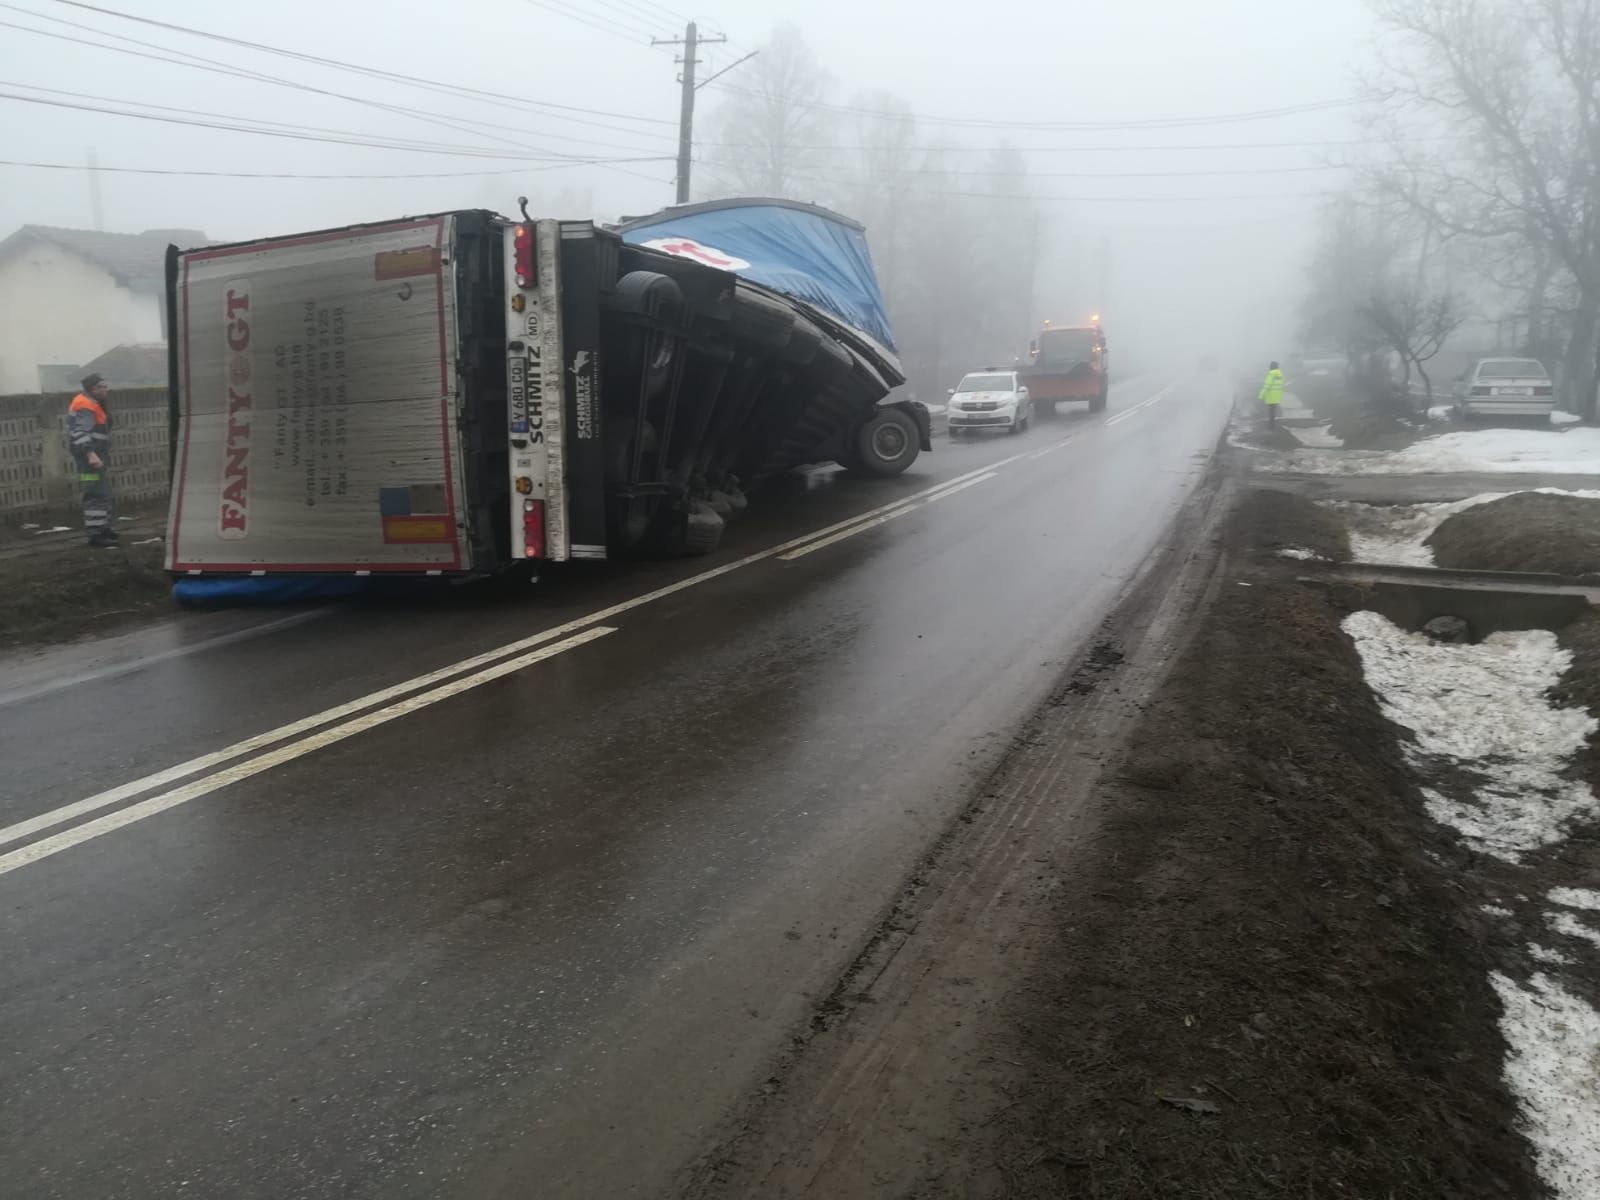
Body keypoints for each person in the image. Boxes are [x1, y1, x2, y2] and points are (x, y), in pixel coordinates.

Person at [68, 373, 116, 547]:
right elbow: (79, 433)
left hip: (96, 456)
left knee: (101, 492)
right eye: (102, 387)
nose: (106, 389)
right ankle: (95, 534)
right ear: (93, 389)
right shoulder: (85, 405)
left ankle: (103, 528)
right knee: (94, 493)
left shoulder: (93, 403)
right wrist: (91, 454)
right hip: (89, 459)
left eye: (105, 386)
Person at [1259, 360, 1285, 425]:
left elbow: (1267, 385)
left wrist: (1261, 395)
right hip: (1277, 395)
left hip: (1271, 395)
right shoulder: (1280, 374)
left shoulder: (1271, 374)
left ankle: (1271, 425)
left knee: (1271, 411)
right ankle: (1272, 423)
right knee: (1273, 410)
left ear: (1271, 367)